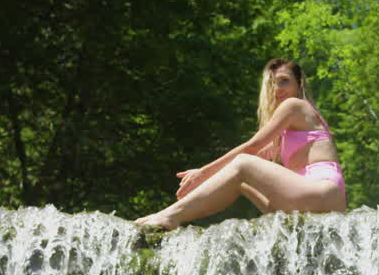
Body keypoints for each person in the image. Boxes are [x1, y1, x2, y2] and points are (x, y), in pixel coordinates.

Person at [134, 58, 347, 231]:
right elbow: (253, 159)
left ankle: (170, 216)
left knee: (244, 163)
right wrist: (210, 176)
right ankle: (175, 214)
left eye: (284, 81)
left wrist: (203, 173)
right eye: (272, 83)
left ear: (299, 84)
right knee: (242, 182)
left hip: (322, 191)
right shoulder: (289, 130)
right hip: (318, 201)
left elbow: (251, 149)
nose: (277, 88)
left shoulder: (295, 106)